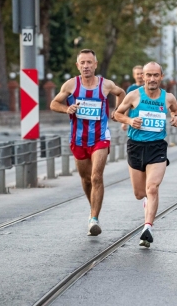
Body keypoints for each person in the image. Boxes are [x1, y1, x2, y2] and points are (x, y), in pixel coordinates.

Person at [50, 48, 126, 236]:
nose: (86, 66)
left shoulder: (105, 85)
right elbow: (53, 104)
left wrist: (118, 112)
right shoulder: (71, 85)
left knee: (96, 177)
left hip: (100, 137)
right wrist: (67, 109)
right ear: (78, 66)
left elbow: (121, 92)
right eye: (82, 63)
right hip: (78, 139)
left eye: (89, 62)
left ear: (95, 65)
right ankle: (93, 206)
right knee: (85, 179)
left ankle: (94, 218)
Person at [113, 62, 177, 248]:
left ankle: (148, 227)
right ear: (143, 77)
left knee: (152, 188)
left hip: (157, 147)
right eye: (148, 75)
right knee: (139, 193)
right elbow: (116, 114)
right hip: (135, 146)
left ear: (161, 77)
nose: (152, 79)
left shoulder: (168, 97)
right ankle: (147, 203)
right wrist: (129, 120)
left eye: (156, 75)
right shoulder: (134, 95)